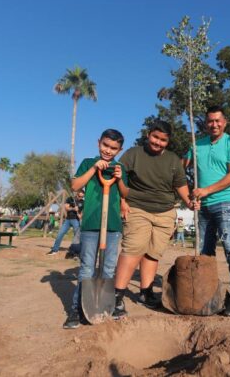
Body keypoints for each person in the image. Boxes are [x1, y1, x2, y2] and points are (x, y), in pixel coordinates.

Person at [112, 120, 195, 319]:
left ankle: (146, 292)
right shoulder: (133, 154)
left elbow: (180, 184)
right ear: (149, 134)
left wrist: (189, 202)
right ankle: (117, 296)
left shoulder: (173, 160)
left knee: (153, 253)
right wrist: (122, 201)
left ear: (168, 141)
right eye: (155, 137)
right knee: (133, 249)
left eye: (163, 140)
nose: (158, 142)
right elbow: (118, 177)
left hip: (165, 212)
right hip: (137, 208)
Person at [183, 106, 230, 317]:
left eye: (218, 120)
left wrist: (206, 190)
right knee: (204, 251)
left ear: (225, 122)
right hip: (202, 207)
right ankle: (207, 291)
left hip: (224, 203)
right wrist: (189, 194)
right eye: (210, 121)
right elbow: (180, 168)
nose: (214, 124)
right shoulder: (196, 144)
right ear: (205, 123)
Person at [63, 129, 128, 329]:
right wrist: (93, 168)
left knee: (108, 268)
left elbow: (126, 193)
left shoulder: (120, 168)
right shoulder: (87, 163)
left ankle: (107, 305)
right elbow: (75, 186)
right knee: (87, 268)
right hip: (91, 224)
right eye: (105, 145)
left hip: (113, 226)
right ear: (98, 142)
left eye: (113, 148)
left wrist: (120, 178)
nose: (108, 150)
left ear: (119, 150)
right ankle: (76, 309)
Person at [49, 191, 83, 255]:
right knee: (60, 234)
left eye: (82, 197)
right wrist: (73, 209)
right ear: (77, 194)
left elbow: (82, 212)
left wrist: (80, 216)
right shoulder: (70, 199)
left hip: (76, 220)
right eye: (79, 196)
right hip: (68, 220)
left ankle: (76, 252)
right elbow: (66, 208)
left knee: (77, 236)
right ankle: (55, 250)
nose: (80, 198)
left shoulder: (83, 202)